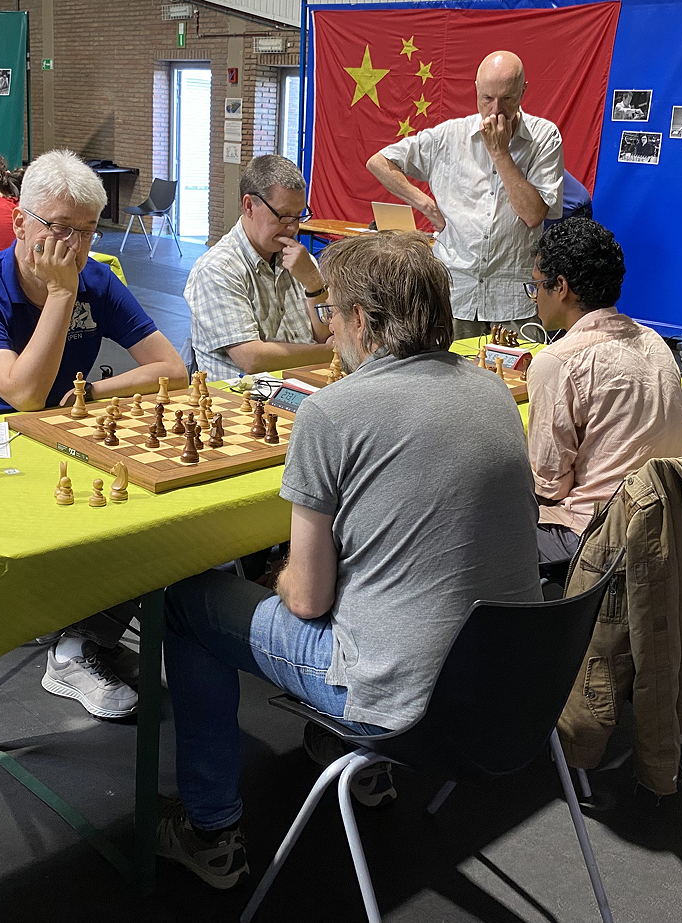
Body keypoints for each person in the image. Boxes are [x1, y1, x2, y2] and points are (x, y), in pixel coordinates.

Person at [158, 231, 541, 890]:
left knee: (191, 602)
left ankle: (212, 830)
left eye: (330, 312)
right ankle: (355, 760)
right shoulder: (493, 393)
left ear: (362, 320)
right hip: (509, 692)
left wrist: (270, 576)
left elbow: (305, 599)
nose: (326, 326)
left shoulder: (331, 412)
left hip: (401, 706)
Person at [0, 149, 188, 717]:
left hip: (61, 436)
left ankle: (75, 646)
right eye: (60, 228)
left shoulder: (97, 279)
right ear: (20, 222)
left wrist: (91, 393)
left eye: (87, 231)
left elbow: (171, 368)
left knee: (149, 513)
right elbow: (23, 394)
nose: (73, 246)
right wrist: (59, 295)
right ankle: (73, 637)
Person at [524, 218, 682, 563]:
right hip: (666, 524)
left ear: (561, 286)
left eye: (536, 286)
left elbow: (549, 486)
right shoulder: (654, 341)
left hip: (595, 536)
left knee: (472, 529)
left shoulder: (557, 362)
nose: (534, 297)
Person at [367, 50, 563, 341]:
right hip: (454, 295)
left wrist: (499, 152)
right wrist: (424, 204)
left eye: (507, 99)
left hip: (513, 301)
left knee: (515, 384)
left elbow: (533, 215)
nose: (496, 110)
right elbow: (378, 162)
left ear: (523, 92)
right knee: (449, 385)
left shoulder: (544, 137)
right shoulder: (448, 136)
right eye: (487, 98)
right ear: (475, 90)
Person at [186, 154, 333, 381]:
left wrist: (314, 283)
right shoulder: (217, 269)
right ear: (249, 206)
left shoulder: (303, 262)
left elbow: (327, 334)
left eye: (299, 216)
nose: (293, 228)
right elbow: (252, 359)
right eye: (283, 216)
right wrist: (329, 353)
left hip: (302, 389)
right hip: (243, 402)